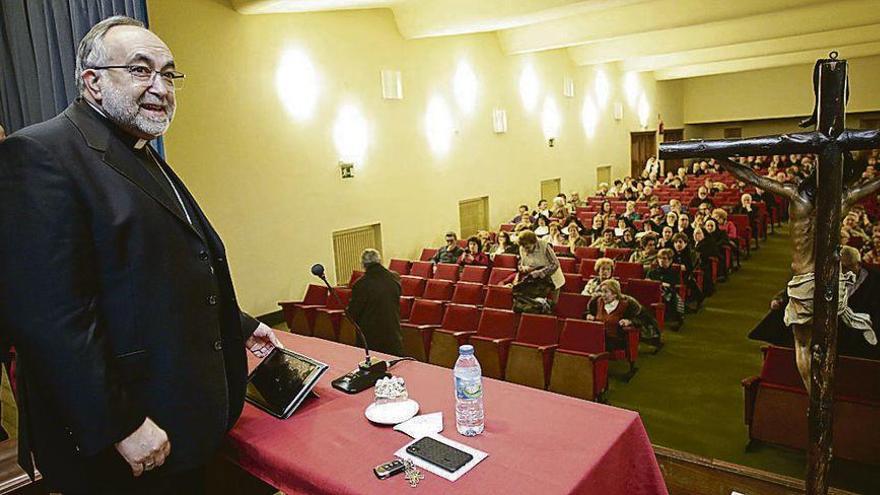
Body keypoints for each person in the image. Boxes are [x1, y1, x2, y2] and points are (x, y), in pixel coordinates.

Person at [0, 16, 283, 493]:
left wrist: (242, 324)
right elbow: (51, 317)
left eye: (169, 73)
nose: (161, 86)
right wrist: (121, 424)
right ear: (92, 82)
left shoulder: (140, 151)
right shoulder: (40, 154)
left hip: (177, 422)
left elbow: (162, 272)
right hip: (125, 443)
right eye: (140, 70)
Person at [716, 156, 880, 390]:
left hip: (804, 280)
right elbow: (875, 183)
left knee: (802, 344)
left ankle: (814, 395)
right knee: (829, 341)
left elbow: (750, 176)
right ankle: (826, 393)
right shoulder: (845, 197)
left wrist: (716, 156)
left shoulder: (797, 196)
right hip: (830, 279)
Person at [348, 249, 404, 357]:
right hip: (392, 331)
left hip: (370, 335)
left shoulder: (361, 284)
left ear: (363, 264)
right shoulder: (394, 278)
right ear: (379, 261)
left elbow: (353, 312)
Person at [512, 231, 565, 314]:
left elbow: (555, 264)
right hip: (536, 281)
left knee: (552, 306)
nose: (526, 250)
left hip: (552, 279)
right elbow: (521, 263)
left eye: (528, 247)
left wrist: (540, 272)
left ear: (534, 242)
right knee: (535, 306)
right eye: (524, 247)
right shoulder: (522, 248)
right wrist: (524, 268)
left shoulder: (544, 245)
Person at [647, 249, 684, 323]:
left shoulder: (673, 272)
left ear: (670, 260)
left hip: (667, 292)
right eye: (659, 258)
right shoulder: (653, 271)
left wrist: (661, 284)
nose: (661, 260)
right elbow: (647, 280)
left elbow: (674, 285)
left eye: (664, 258)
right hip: (652, 290)